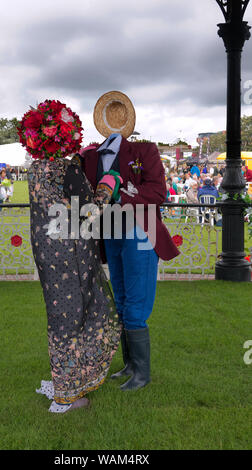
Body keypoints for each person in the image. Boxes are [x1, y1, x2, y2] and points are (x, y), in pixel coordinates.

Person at [19, 99, 122, 413]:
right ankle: (66, 395)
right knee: (86, 316)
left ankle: (65, 379)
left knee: (61, 314)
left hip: (47, 249)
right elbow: (89, 213)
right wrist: (108, 185)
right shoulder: (68, 169)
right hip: (71, 253)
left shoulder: (35, 169)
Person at [82, 91, 179, 392]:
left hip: (140, 231)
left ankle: (142, 374)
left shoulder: (144, 150)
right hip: (110, 232)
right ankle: (130, 366)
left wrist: (121, 196)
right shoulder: (89, 156)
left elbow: (158, 192)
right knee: (122, 303)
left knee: (135, 306)